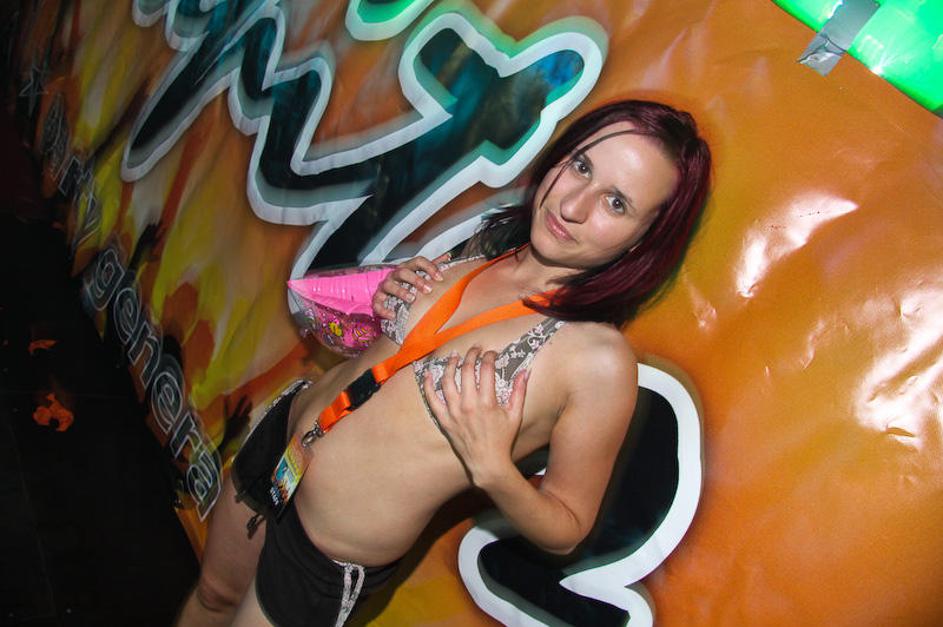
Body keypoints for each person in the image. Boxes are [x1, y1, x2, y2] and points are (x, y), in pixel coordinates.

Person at [176, 99, 712, 626]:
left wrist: (494, 468)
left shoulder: (599, 362)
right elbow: (399, 363)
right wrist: (387, 299)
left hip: (329, 546)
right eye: (581, 166)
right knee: (212, 594)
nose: (573, 205)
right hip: (283, 443)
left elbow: (568, 526)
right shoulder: (496, 242)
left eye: (616, 203)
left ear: (645, 240)